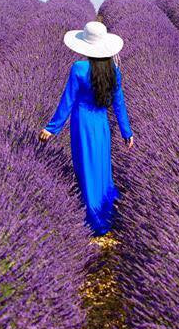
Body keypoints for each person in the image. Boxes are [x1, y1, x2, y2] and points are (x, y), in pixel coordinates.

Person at [38, 20, 134, 237]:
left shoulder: (79, 69)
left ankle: (94, 221)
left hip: (82, 124)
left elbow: (67, 101)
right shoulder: (113, 71)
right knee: (102, 168)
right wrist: (126, 132)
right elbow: (119, 103)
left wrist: (51, 128)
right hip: (101, 125)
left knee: (86, 169)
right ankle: (108, 215)